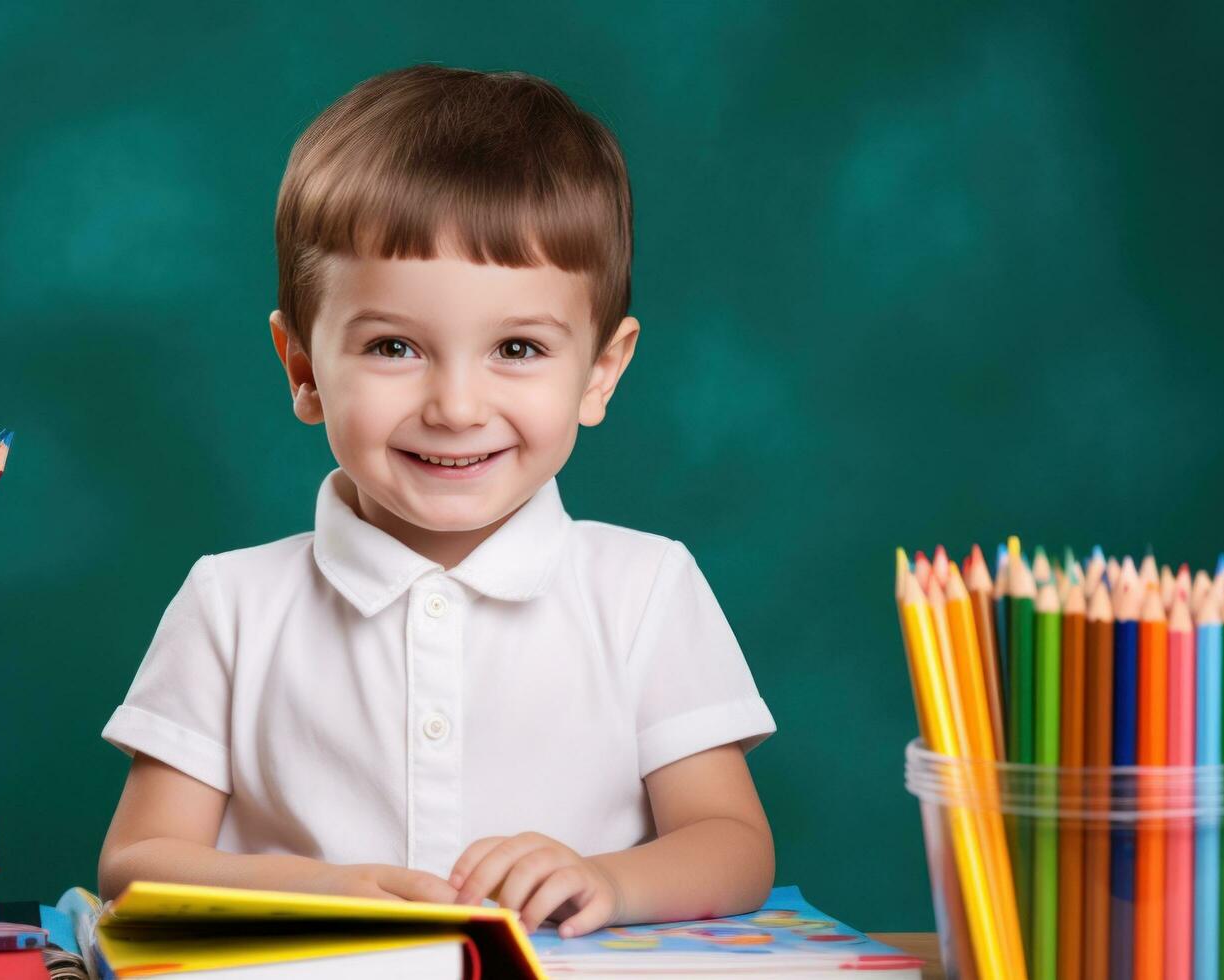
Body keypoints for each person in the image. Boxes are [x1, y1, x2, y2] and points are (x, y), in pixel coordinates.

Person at [101, 64, 775, 938]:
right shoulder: (230, 605)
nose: (455, 407)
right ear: (302, 369)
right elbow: (133, 862)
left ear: (600, 372)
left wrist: (604, 879)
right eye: (392, 346)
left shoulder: (645, 586)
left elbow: (732, 845)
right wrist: (319, 889)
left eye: (518, 349)